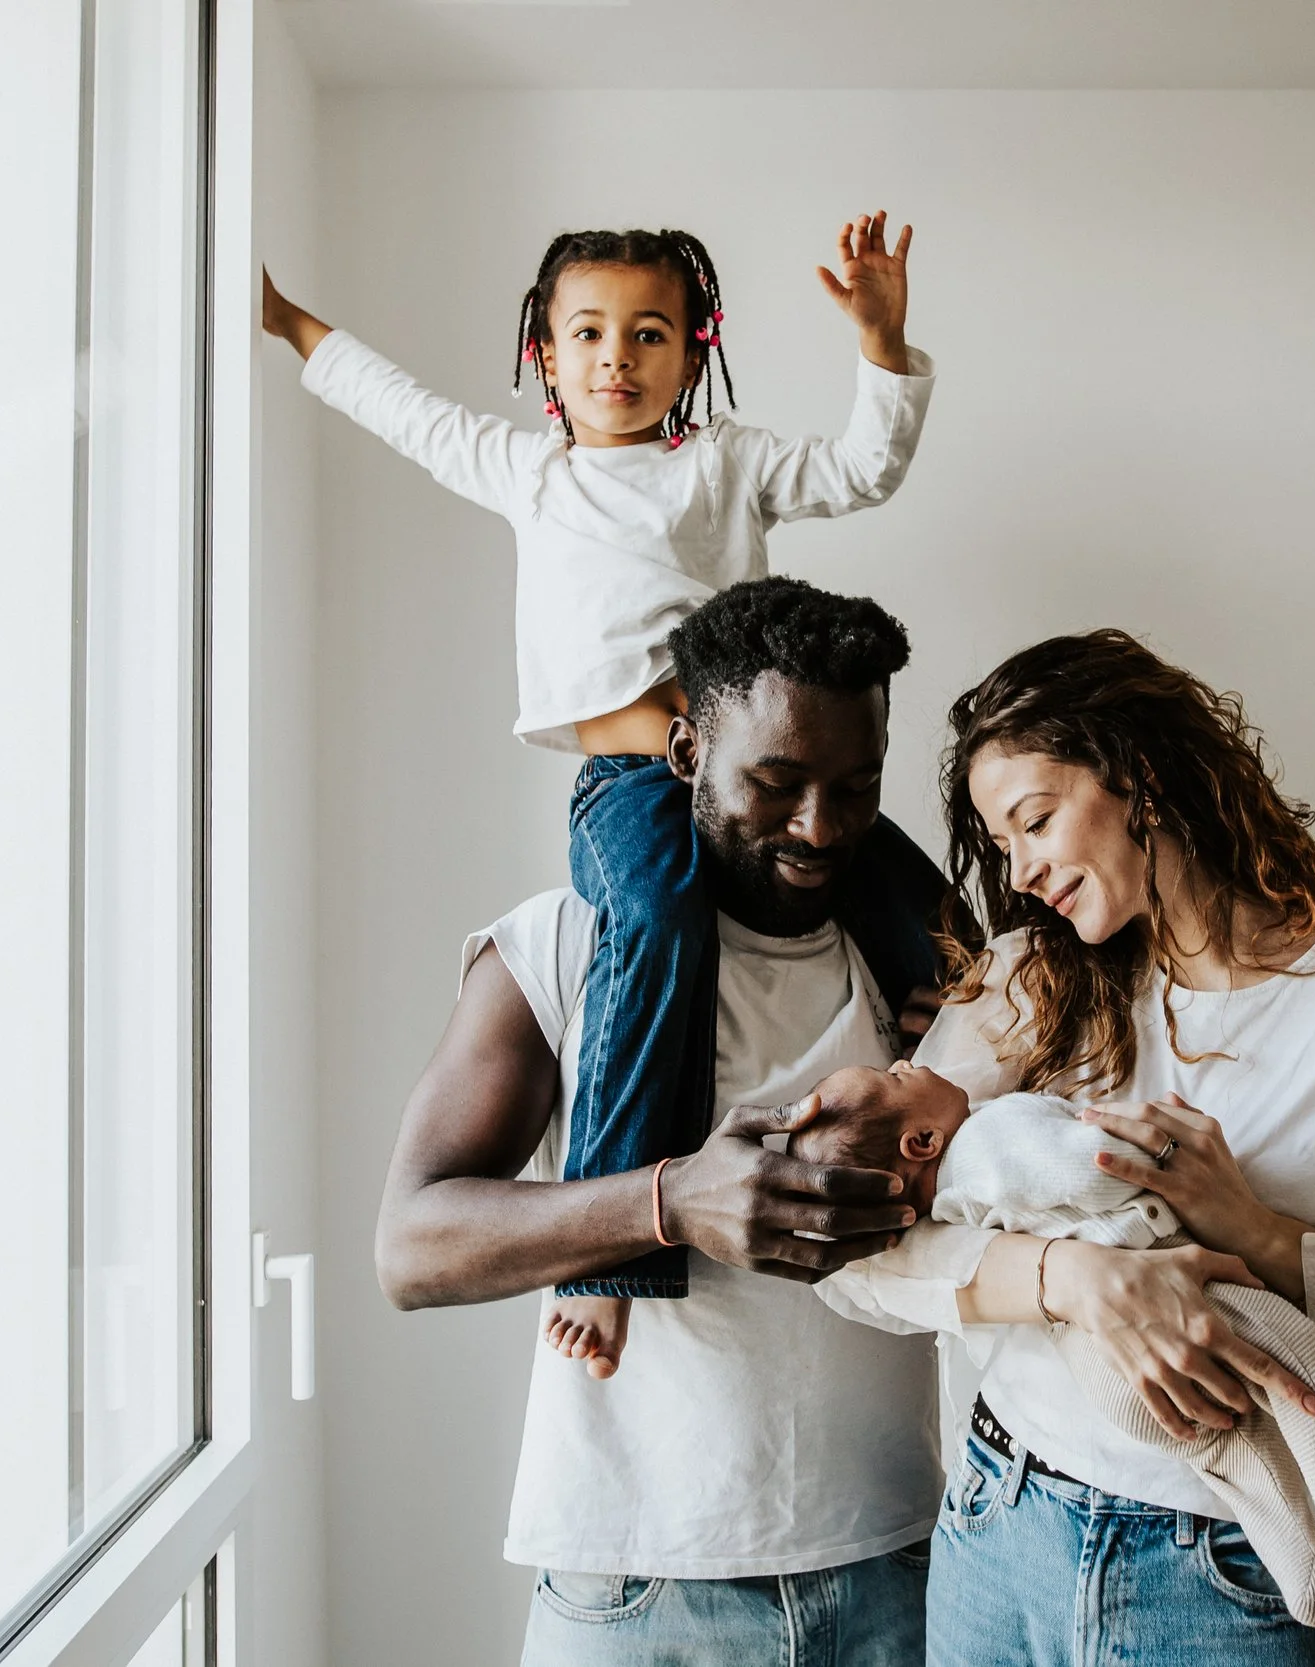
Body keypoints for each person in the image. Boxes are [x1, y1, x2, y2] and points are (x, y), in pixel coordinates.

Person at [820, 630, 1315, 1664]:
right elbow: (853, 1252)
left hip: (1235, 1580)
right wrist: (1071, 1277)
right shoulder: (1025, 980)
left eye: (1037, 820)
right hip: (1000, 1531)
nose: (1023, 870)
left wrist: (1269, 1239)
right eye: (1003, 844)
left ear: (1138, 775)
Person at [265, 220, 945, 1367]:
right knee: (657, 918)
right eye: (586, 333)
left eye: (647, 333)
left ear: (693, 352)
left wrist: (881, 342)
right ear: (543, 350)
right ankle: (610, 1248)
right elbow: (401, 407)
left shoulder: (724, 463)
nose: (615, 357)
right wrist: (287, 322)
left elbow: (862, 468)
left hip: (759, 782)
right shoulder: (528, 470)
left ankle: (951, 1061)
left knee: (921, 898)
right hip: (634, 782)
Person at [375, 579, 952, 1666]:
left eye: (855, 786)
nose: (819, 826)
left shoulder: (919, 975)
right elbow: (411, 1245)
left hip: (900, 1567)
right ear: (686, 753)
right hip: (639, 1596)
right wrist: (668, 1198)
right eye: (775, 783)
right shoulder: (559, 946)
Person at [784, 1064, 1315, 1633]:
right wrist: (1135, 1148)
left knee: (1234, 1452)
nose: (907, 1059)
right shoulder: (990, 1134)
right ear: (922, 1139)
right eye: (896, 1075)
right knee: (1292, 1351)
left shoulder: (947, 1202)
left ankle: (1304, 1568)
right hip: (1184, 1301)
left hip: (1107, 1377)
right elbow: (1083, 1170)